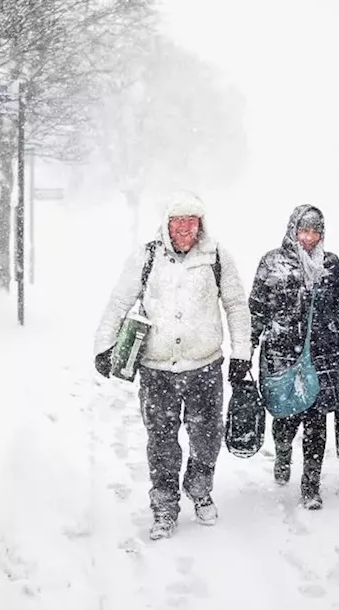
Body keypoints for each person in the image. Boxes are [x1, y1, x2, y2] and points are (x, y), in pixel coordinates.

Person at [93, 192, 253, 541]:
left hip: (205, 368)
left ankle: (199, 489)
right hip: (157, 371)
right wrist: (104, 346)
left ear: (201, 224)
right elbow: (119, 301)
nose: (184, 228)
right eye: (178, 221)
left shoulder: (217, 257)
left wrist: (242, 353)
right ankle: (164, 505)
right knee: (162, 441)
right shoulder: (147, 256)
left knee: (207, 438)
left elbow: (237, 306)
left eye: (191, 221)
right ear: (167, 224)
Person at [248, 204, 339, 510]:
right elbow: (256, 311)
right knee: (285, 418)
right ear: (292, 230)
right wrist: (244, 351)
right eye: (304, 230)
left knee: (316, 422)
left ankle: (311, 485)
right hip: (283, 357)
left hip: (324, 357)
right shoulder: (272, 263)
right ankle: (283, 453)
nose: (309, 238)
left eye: (315, 232)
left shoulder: (331, 265)